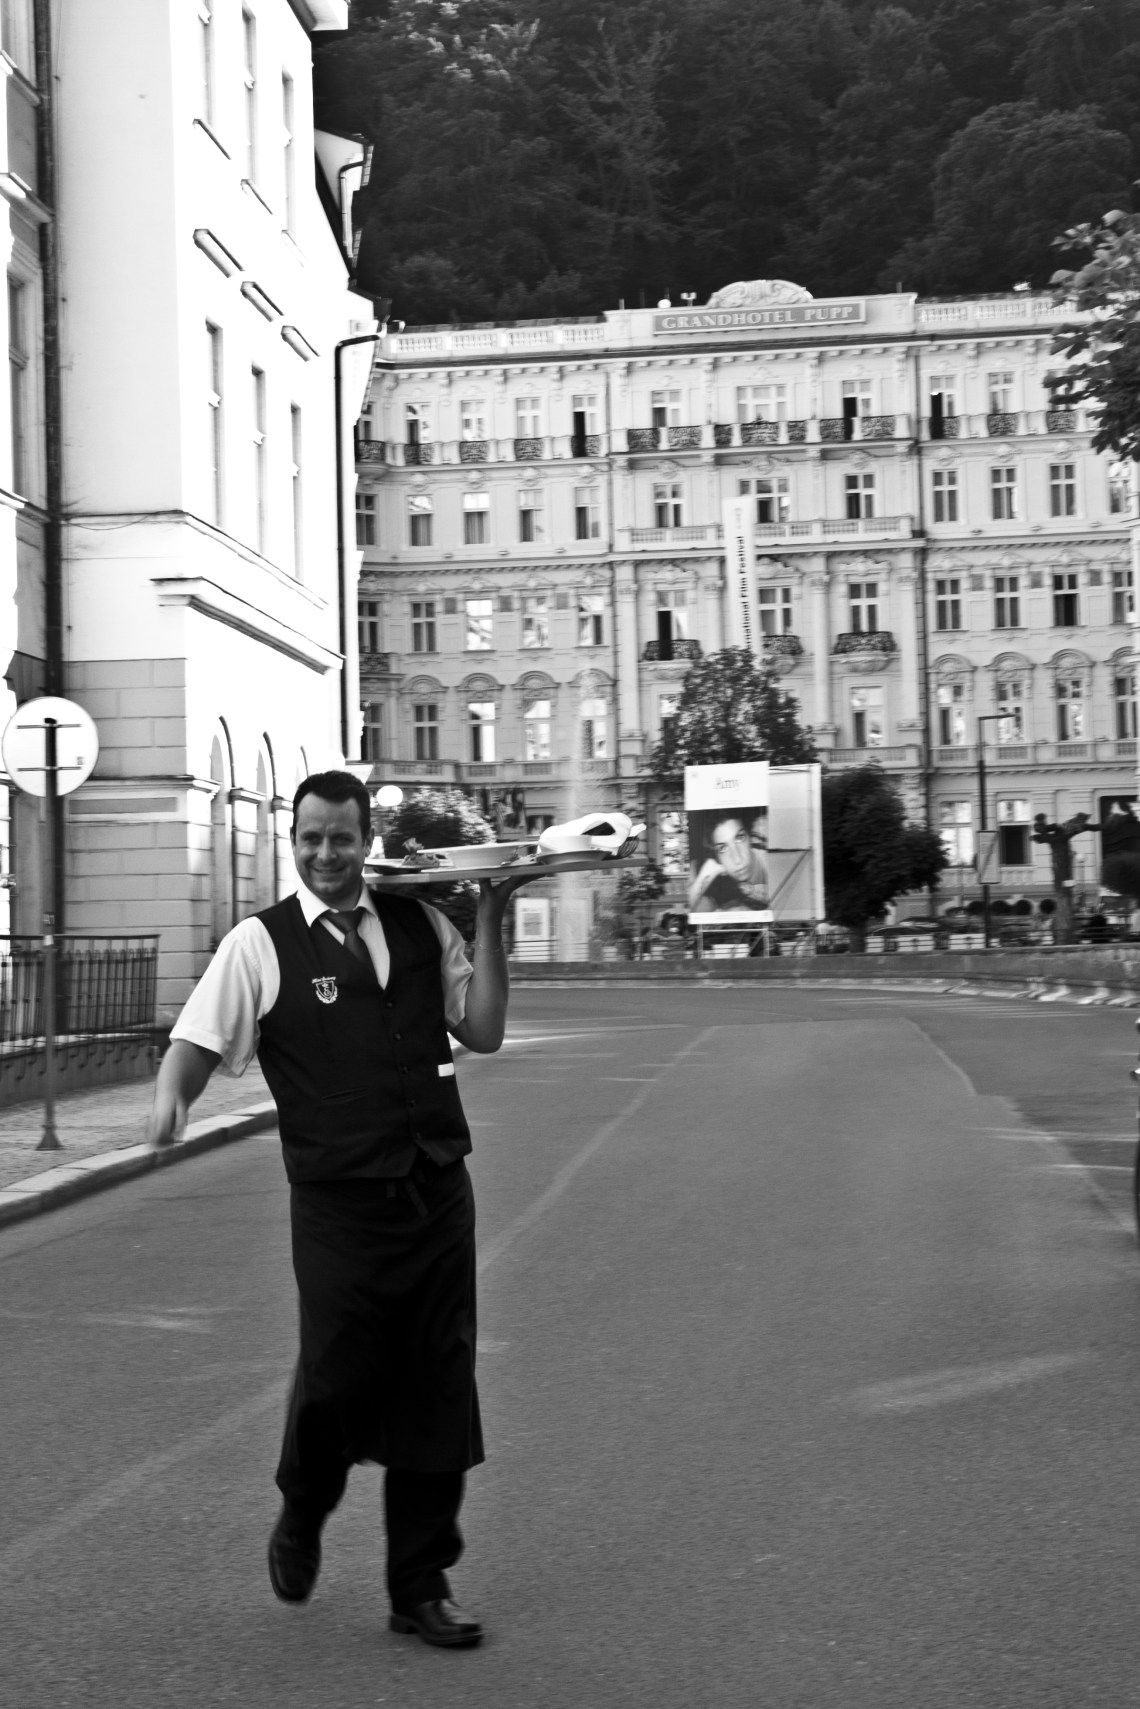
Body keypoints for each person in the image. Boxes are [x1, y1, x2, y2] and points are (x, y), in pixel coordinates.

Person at [148, 770, 531, 1649]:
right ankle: (305, 1505)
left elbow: (483, 1029)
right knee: (337, 1374)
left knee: (438, 1379)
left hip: (436, 1186)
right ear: (293, 840)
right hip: (337, 1200)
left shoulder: (420, 923)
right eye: (311, 838)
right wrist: (173, 1095)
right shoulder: (260, 943)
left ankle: (420, 1584)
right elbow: (199, 1037)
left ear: (367, 841)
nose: (327, 854)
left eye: (342, 838)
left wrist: (491, 913)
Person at [688, 811, 769, 913]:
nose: (737, 860)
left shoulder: (768, 855)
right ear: (716, 857)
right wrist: (704, 875)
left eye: (740, 838)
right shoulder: (716, 879)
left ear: (750, 838)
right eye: (723, 848)